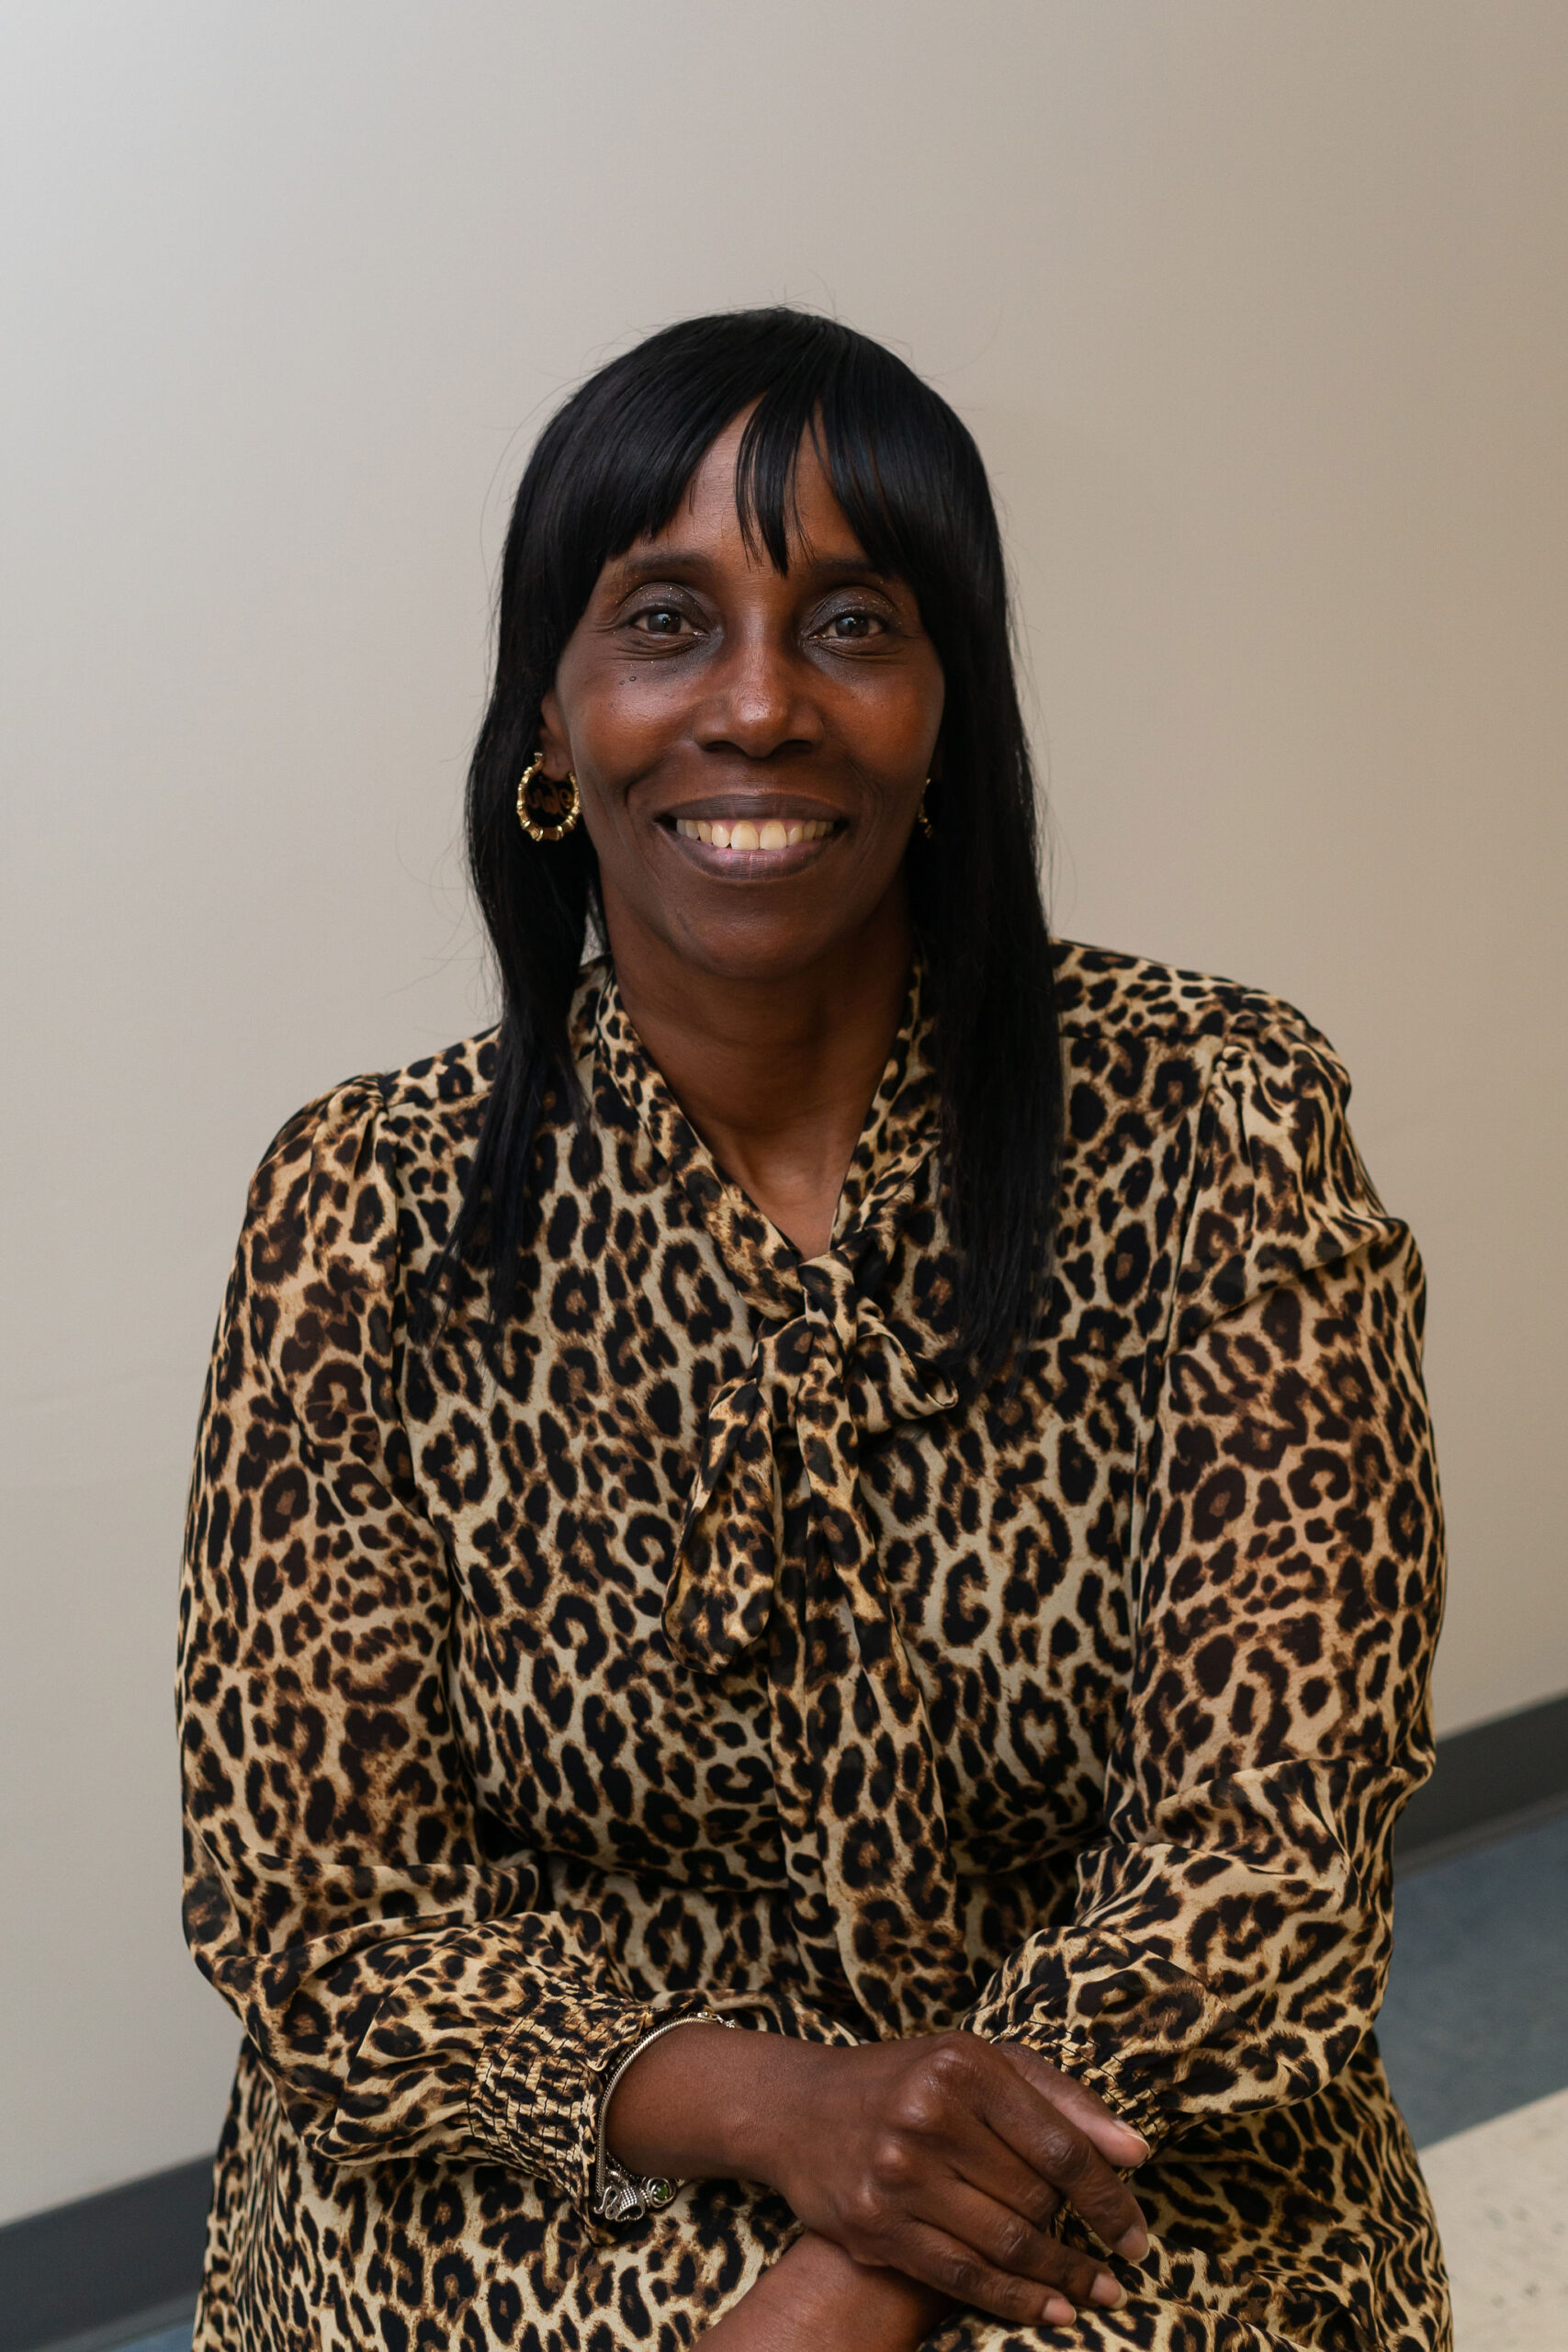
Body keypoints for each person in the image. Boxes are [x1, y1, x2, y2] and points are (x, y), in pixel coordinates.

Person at [178, 309, 1450, 2352]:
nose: (756, 704)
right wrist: (785, 2107)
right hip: (576, 2120)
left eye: (851, 625)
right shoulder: (362, 1207)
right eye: (665, 620)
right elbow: (320, 1909)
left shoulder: (1214, 1113)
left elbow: (1265, 1845)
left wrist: (861, 2256)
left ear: (949, 710)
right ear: (551, 713)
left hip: (1104, 2109)